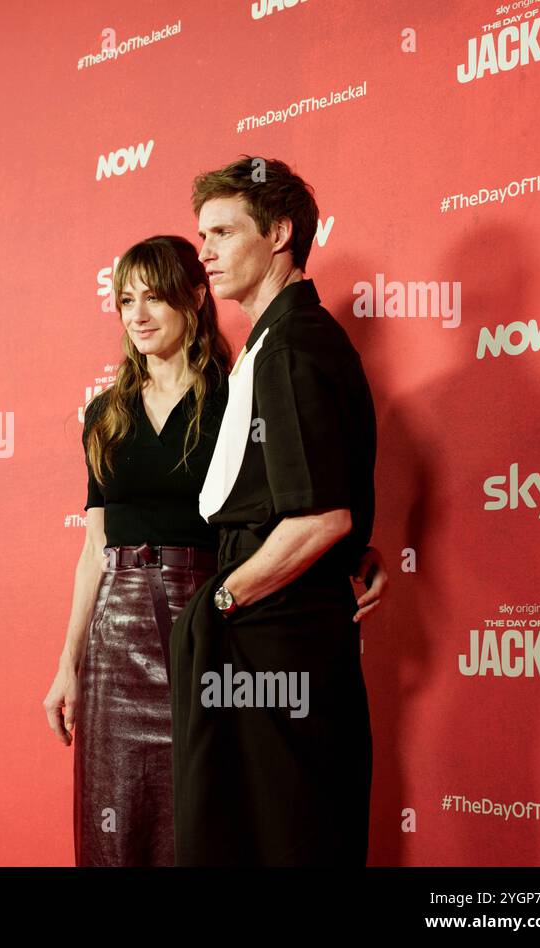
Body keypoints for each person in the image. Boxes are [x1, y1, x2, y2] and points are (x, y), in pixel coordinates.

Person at [42, 235, 386, 867]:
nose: (138, 315)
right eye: (125, 300)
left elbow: (291, 502)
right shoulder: (104, 415)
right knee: (114, 828)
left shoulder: (234, 397)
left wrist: (357, 555)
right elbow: (94, 550)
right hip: (115, 638)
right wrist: (69, 660)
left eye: (154, 297)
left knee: (201, 819)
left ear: (195, 299)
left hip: (206, 621)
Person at [169, 155, 379, 865]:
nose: (206, 252)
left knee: (275, 835)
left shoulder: (292, 346)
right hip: (272, 627)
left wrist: (226, 598)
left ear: (280, 232)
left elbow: (322, 517)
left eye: (223, 232)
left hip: (270, 633)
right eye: (203, 235)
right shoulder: (274, 344)